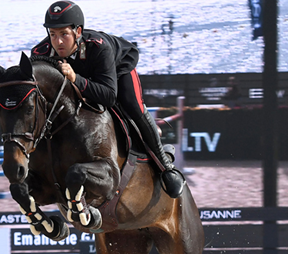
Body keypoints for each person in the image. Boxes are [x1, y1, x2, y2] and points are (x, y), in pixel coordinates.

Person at [32, 1, 185, 198]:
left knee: (132, 104)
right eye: (52, 34)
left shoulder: (99, 47)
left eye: (64, 34)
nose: (58, 42)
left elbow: (109, 97)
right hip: (81, 74)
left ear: (78, 32)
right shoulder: (39, 54)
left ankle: (166, 167)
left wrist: (76, 79)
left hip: (117, 68)